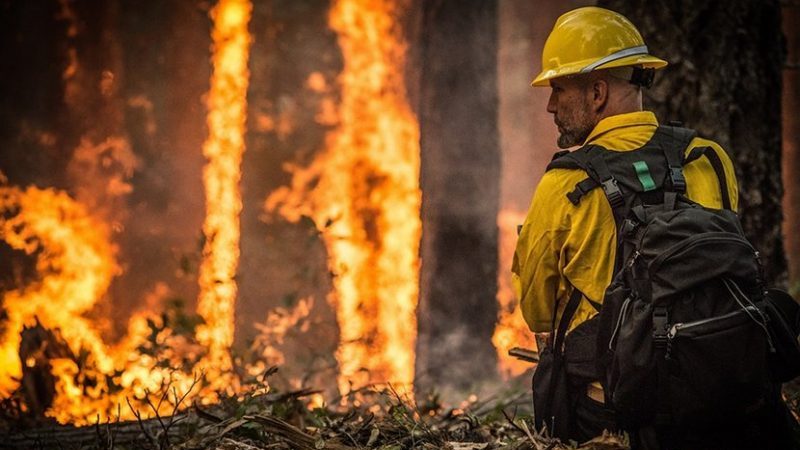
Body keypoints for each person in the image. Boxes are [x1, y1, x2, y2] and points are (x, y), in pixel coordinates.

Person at [512, 6, 796, 449]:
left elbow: (539, 315)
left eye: (559, 88)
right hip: (724, 393)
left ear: (598, 92)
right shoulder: (707, 158)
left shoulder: (564, 185)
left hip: (618, 411)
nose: (550, 105)